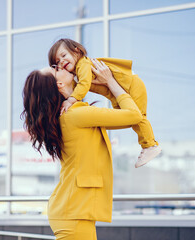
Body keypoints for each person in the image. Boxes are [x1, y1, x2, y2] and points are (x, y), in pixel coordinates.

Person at [22, 60, 142, 239]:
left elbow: (127, 116)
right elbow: (134, 116)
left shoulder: (73, 114)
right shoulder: (76, 115)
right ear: (59, 84)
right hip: (73, 212)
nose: (61, 66)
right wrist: (110, 81)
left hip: (72, 209)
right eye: (55, 69)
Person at [48, 38, 161, 168]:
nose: (62, 61)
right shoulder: (75, 75)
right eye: (57, 62)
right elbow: (74, 89)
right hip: (119, 95)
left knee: (139, 117)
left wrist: (70, 100)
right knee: (129, 119)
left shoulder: (83, 65)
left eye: (63, 55)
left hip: (131, 85)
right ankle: (148, 145)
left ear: (76, 51)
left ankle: (150, 146)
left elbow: (83, 85)